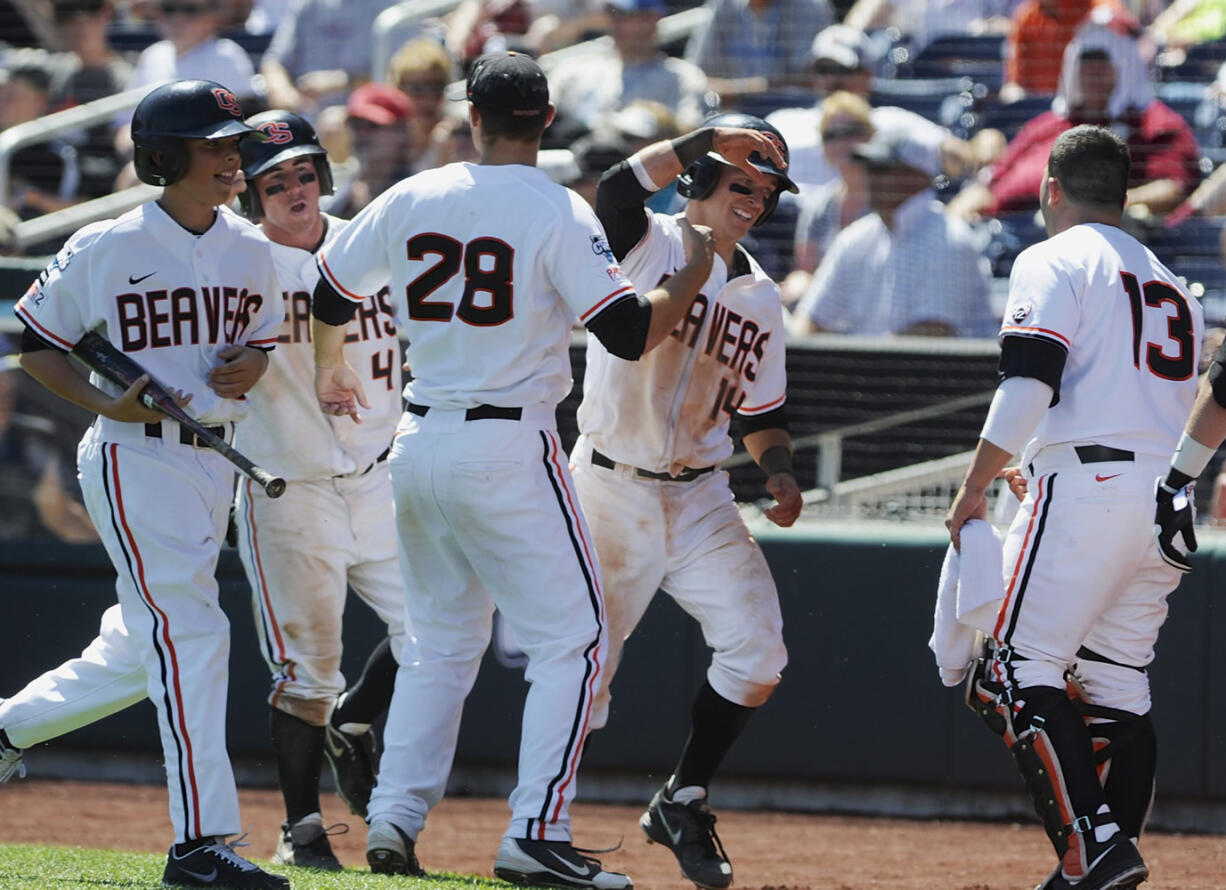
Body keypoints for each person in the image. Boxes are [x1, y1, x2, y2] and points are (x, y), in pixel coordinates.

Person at [307, 49, 769, 888]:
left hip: (416, 441)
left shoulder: (414, 193)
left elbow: (330, 292)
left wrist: (328, 365)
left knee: (439, 644)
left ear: (471, 115)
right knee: (580, 642)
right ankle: (536, 831)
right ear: (545, 120)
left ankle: (394, 822)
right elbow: (627, 331)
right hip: (508, 442)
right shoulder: (557, 208)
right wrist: (693, 276)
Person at [9, 79, 289, 890]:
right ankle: (202, 843)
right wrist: (104, 401)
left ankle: (6, 732)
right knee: (193, 632)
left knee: (147, 644)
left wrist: (259, 360)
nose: (231, 156)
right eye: (213, 144)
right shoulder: (107, 244)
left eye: (233, 142)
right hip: (136, 455)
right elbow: (37, 342)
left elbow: (261, 341)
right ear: (162, 157)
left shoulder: (252, 248)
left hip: (214, 458)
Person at [946, 124, 1203, 890]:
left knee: (1014, 671)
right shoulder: (1169, 281)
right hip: (1167, 497)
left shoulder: (1054, 256)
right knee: (1119, 683)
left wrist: (974, 484)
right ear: (1121, 195)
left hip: (1089, 488)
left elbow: (1030, 379)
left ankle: (1095, 849)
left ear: (1051, 189)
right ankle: (1106, 854)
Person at [571, 110, 803, 890]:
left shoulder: (763, 298)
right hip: (609, 484)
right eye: (742, 180)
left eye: (766, 190)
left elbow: (762, 417)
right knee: (585, 669)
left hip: (701, 494)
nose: (755, 198)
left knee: (759, 652)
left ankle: (684, 797)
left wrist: (778, 471)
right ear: (701, 177)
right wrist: (702, 141)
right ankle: (541, 827)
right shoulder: (650, 243)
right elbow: (613, 190)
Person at [232, 109, 408, 870]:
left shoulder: (369, 241)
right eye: (276, 182)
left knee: (443, 631)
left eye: (305, 173)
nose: (295, 190)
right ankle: (302, 828)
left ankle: (357, 722)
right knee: (308, 673)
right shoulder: (234, 264)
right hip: (291, 488)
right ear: (251, 196)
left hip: (378, 478)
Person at [952, 14, 1201, 221]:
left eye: (1103, 66)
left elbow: (1174, 188)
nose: (1092, 75)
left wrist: (1096, 210)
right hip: (1003, 231)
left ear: (1126, 69)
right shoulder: (1048, 124)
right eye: (1085, 64)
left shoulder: (1157, 126)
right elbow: (992, 181)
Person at [791, 125, 995, 337]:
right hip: (869, 367)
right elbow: (809, 320)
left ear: (918, 176)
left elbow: (930, 335)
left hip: (935, 370)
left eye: (881, 168)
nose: (870, 177)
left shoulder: (951, 239)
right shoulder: (856, 238)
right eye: (869, 168)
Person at [766, 24, 1004, 197]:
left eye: (842, 70)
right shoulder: (783, 122)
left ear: (867, 75)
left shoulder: (894, 122)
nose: (832, 79)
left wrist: (988, 140)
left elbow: (962, 159)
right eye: (823, 70)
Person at [546, 0, 713, 134]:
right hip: (576, 170)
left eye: (625, 15)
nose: (615, 22)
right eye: (613, 14)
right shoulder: (573, 69)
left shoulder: (683, 76)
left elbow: (689, 129)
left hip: (645, 170)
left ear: (651, 20)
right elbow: (542, 119)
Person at [779, 89, 874, 307]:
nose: (841, 142)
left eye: (850, 132)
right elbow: (805, 271)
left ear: (870, 135)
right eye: (831, 135)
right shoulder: (819, 206)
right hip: (827, 310)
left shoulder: (890, 199)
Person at [684, 0, 834, 101]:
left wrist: (740, 90)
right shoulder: (723, 5)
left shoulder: (812, 7)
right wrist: (753, 88)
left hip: (796, 114)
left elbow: (824, 80)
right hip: (730, 115)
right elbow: (696, 79)